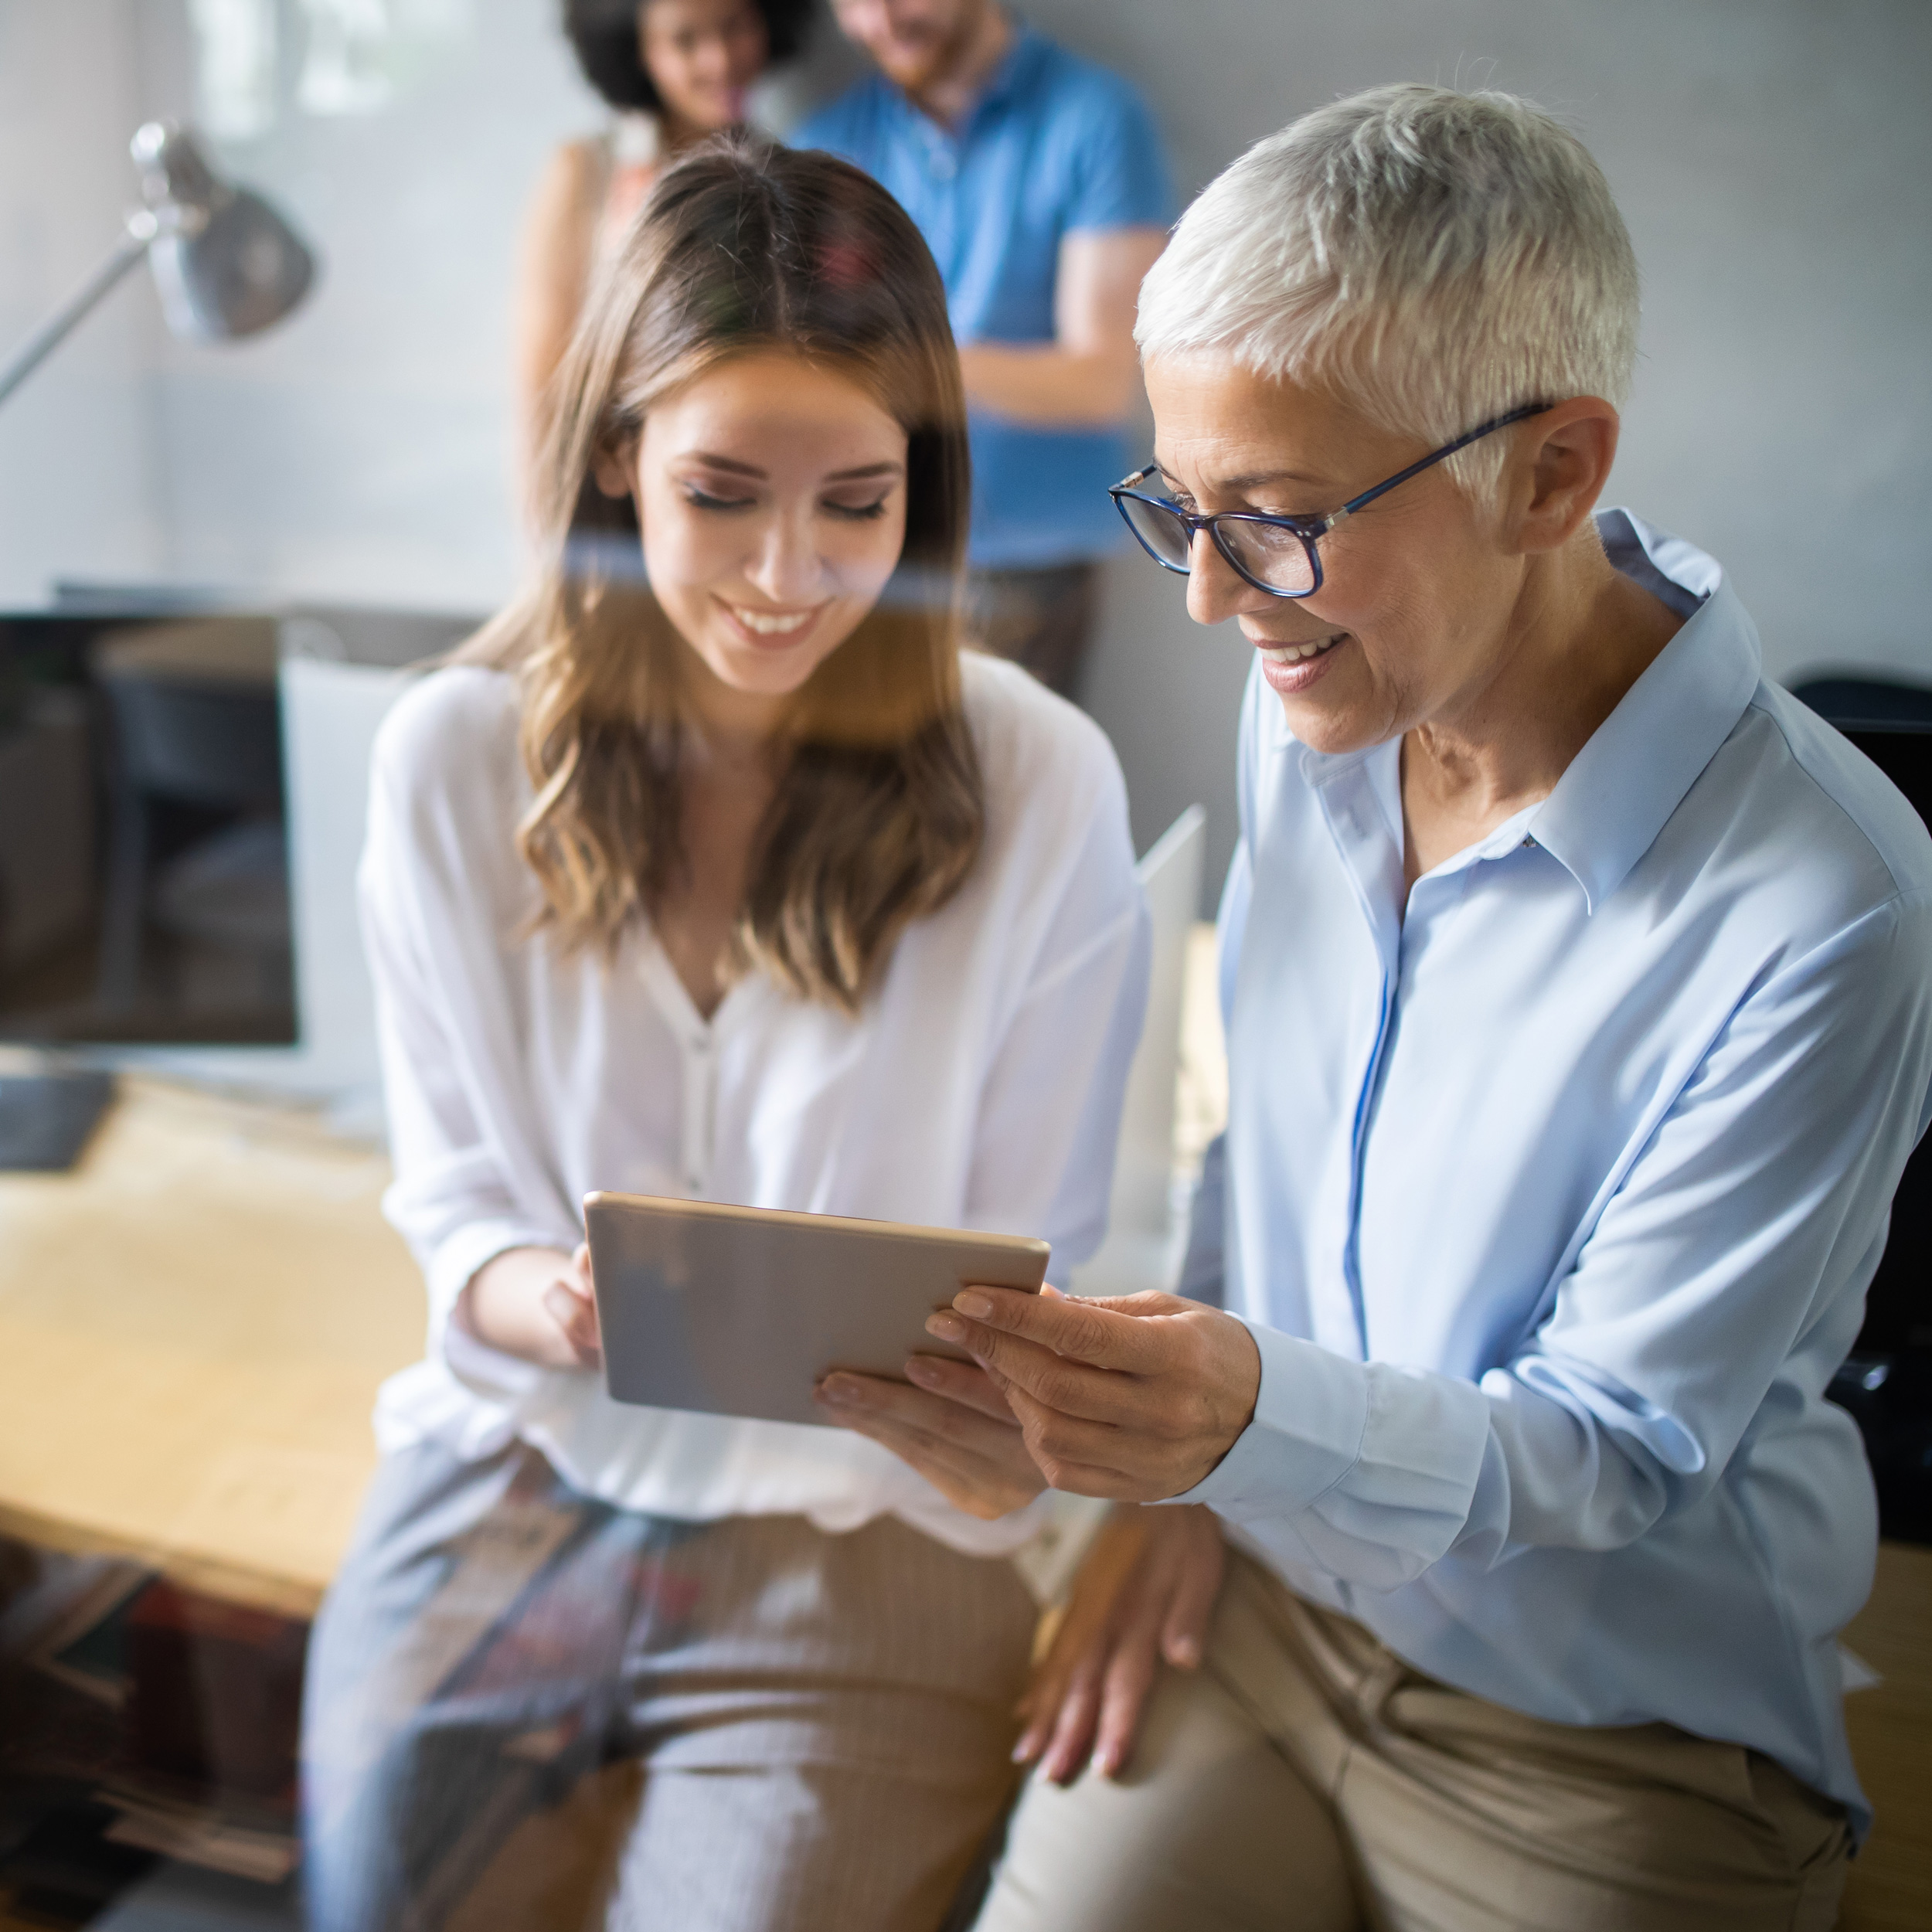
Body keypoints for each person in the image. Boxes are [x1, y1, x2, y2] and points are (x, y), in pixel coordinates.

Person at [894, 85, 1932, 1930]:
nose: (1213, 597)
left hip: (1612, 1737)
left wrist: (1233, 1435)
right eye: (1180, 510)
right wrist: (1176, 1497)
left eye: (1277, 523)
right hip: (1261, 1611)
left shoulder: (1827, 904)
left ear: (1550, 472)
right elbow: (1262, 1153)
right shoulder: (1323, 702)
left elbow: (1611, 1447)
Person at [302, 138, 1149, 1932]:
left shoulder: (1040, 786)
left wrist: (1017, 1411)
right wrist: (554, 1301)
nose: (790, 574)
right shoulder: (453, 757)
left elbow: (1041, 1257)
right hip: (512, 1479)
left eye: (859, 500)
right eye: (723, 493)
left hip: (863, 1540)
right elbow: (451, 1196)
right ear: (616, 452)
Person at [795, 0, 1174, 700]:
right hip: (863, 554)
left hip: (1028, 568)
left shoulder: (1096, 120)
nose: (879, 22)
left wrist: (909, 364)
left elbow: (1103, 382)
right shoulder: (824, 144)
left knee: (1010, 796)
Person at [513, 0, 813, 495]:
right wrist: (546, 540)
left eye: (735, 26)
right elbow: (540, 389)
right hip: (613, 493)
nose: (719, 61)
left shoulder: (795, 177)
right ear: (639, 51)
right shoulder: (586, 173)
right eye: (685, 40)